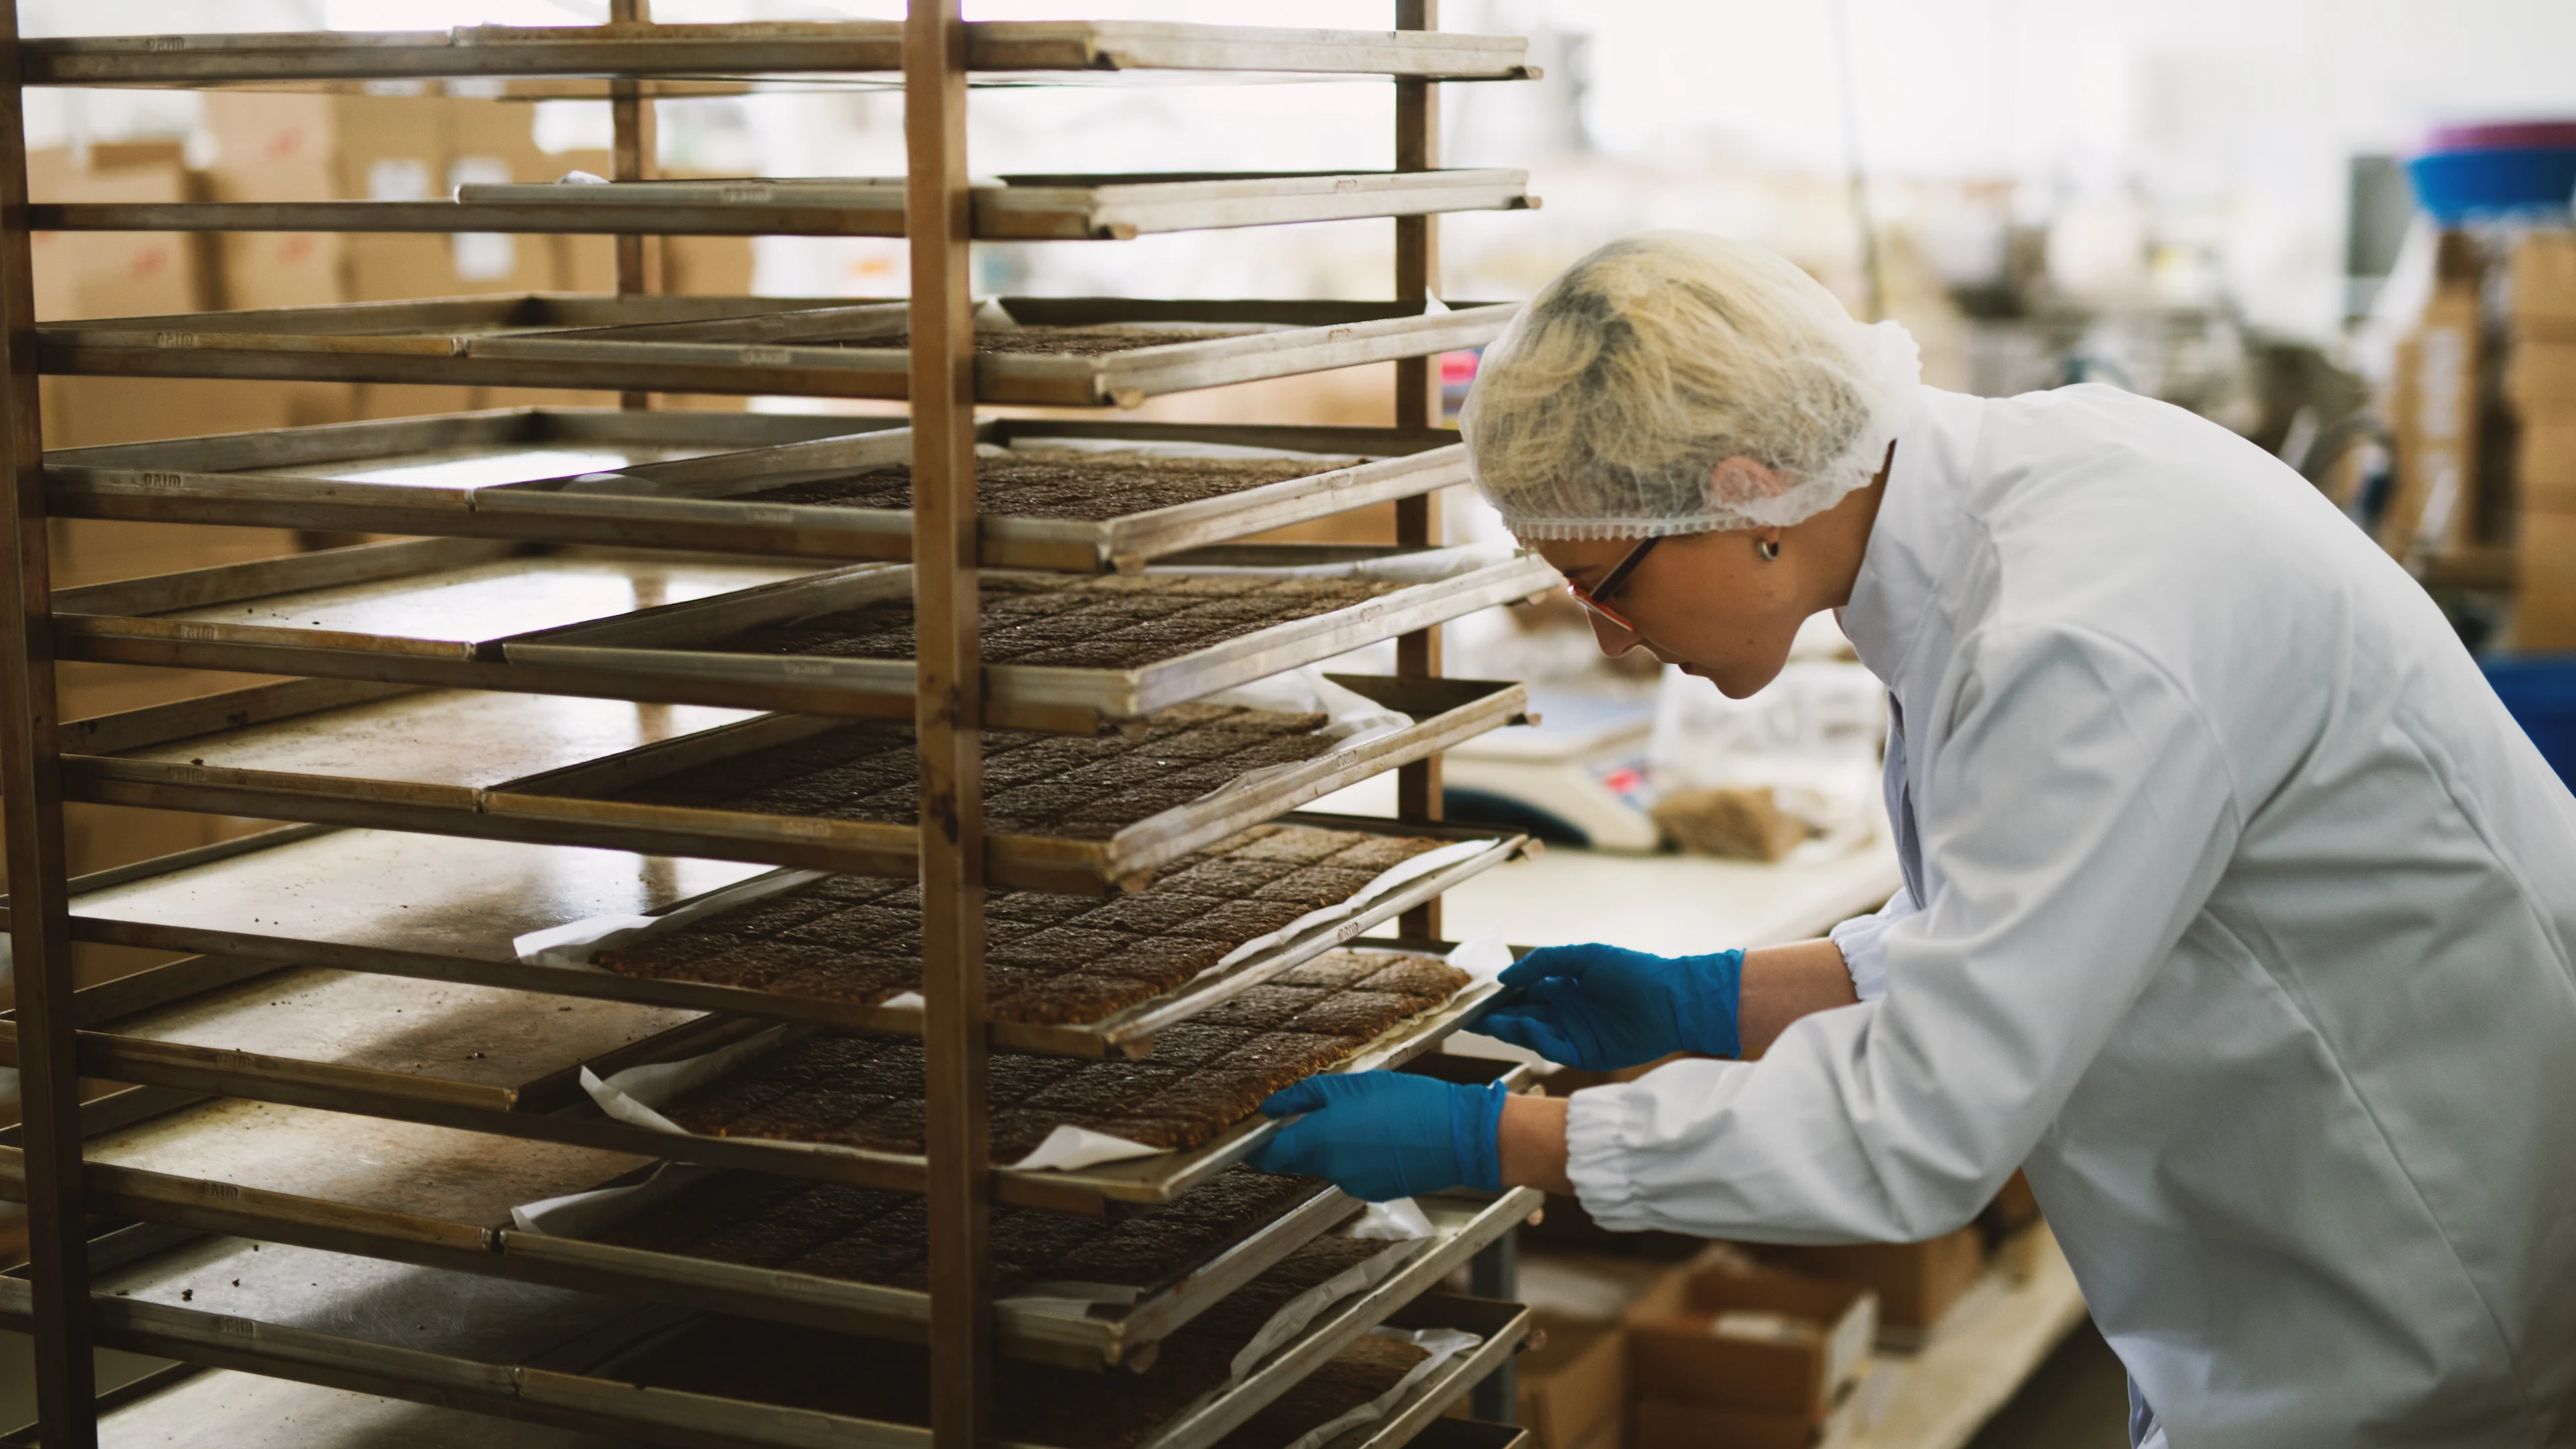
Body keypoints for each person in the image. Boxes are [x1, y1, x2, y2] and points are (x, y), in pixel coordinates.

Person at [1250, 231, 2576, 1446]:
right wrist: (1710, 999)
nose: (1611, 637)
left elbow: (1922, 1127)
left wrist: (1501, 1144)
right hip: (2319, 1230)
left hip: (2415, 1281)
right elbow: (2034, 925)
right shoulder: (2016, 500)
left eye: (1607, 587)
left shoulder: (2072, 635)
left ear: (1749, 494)